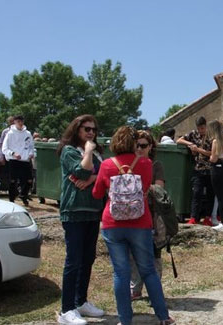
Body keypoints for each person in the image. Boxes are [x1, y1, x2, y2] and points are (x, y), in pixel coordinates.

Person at [92, 126, 173, 325]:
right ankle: (163, 316)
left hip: (113, 224)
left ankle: (125, 320)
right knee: (148, 270)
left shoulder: (107, 165)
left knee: (121, 273)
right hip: (140, 222)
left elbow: (96, 193)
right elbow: (147, 188)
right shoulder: (145, 163)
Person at [56, 115, 105, 324]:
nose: (91, 133)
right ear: (77, 130)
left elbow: (104, 174)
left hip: (93, 211)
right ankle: (67, 309)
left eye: (93, 129)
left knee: (88, 259)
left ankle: (81, 301)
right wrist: (87, 152)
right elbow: (81, 171)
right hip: (74, 212)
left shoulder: (98, 154)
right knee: (74, 261)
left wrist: (94, 177)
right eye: (86, 129)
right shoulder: (69, 151)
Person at [130, 130, 166, 300]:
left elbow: (159, 189)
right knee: (133, 254)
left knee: (154, 254)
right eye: (137, 145)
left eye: (143, 145)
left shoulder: (155, 165)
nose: (139, 148)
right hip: (131, 215)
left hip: (151, 215)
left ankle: (155, 292)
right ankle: (135, 289)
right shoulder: (129, 164)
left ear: (150, 147)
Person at [177, 117, 213, 226]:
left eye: (202, 128)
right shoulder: (193, 134)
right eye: (199, 128)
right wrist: (190, 144)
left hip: (210, 169)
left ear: (206, 126)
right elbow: (178, 140)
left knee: (210, 195)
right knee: (196, 193)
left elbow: (212, 153)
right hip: (198, 169)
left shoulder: (212, 136)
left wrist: (198, 150)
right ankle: (194, 217)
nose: (201, 130)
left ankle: (208, 217)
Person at [1, 115, 35, 206]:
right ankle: (11, 200)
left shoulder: (27, 133)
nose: (20, 123)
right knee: (13, 180)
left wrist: (31, 153)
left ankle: (23, 195)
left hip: (25, 160)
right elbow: (4, 148)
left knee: (29, 180)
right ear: (15, 122)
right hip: (14, 160)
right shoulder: (10, 133)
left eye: (22, 121)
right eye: (18, 121)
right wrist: (13, 153)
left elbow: (31, 146)